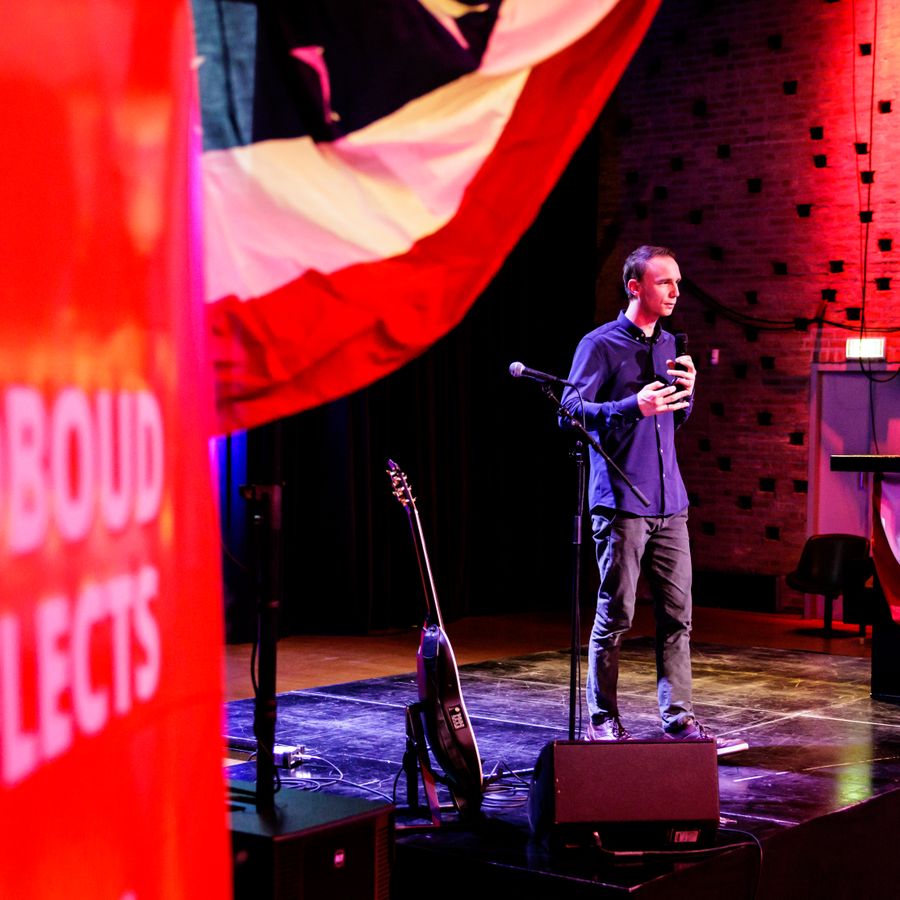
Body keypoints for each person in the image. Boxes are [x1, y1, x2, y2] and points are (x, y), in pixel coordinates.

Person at [560, 245, 708, 742]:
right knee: (617, 614)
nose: (675, 291)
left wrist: (687, 395)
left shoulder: (670, 345)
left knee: (678, 616)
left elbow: (673, 420)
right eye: (665, 282)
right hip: (622, 503)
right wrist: (630, 406)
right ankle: (602, 716)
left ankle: (678, 717)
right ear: (635, 287)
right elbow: (569, 411)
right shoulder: (599, 345)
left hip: (671, 504)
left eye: (677, 282)